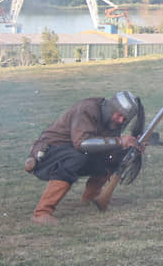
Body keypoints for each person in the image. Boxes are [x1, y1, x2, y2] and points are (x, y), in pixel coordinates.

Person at [25, 91, 145, 225]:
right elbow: (81, 143)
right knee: (76, 158)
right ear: (112, 108)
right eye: (119, 115)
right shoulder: (87, 109)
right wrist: (119, 142)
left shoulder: (113, 120)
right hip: (49, 153)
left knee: (114, 156)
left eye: (125, 119)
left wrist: (131, 147)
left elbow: (106, 147)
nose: (121, 121)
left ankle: (92, 197)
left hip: (75, 152)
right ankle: (42, 212)